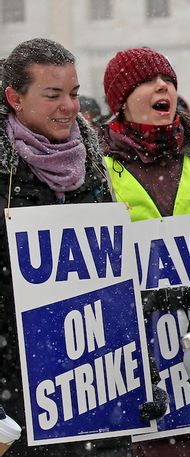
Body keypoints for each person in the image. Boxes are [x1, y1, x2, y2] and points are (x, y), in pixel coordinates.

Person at [99, 47, 190, 456]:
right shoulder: (99, 166)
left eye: (169, 81)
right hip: (139, 361)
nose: (163, 87)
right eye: (147, 81)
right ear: (120, 100)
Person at [0, 38, 120, 456]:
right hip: (18, 398)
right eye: (52, 95)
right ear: (14, 98)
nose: (69, 106)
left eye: (72, 93)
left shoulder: (92, 166)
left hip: (95, 392)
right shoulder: (5, 176)